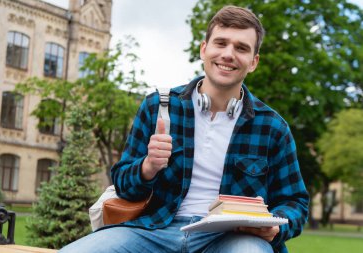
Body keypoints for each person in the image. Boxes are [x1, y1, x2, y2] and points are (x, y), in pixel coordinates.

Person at [60, 5, 308, 253]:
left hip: (230, 238)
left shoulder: (272, 127)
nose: (228, 54)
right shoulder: (157, 107)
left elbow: (295, 202)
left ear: (253, 62)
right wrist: (147, 167)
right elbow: (123, 183)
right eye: (220, 43)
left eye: (241, 48)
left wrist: (275, 228)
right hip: (154, 230)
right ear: (204, 49)